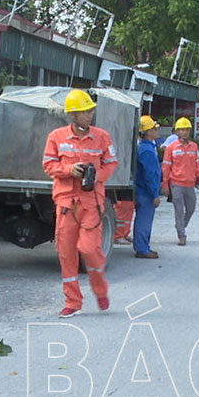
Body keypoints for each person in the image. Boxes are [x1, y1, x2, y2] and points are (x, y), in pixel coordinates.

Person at [42, 89, 116, 318]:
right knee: (65, 253)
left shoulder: (102, 136)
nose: (90, 114)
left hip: (91, 202)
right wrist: (68, 170)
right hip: (65, 202)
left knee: (89, 249)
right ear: (73, 115)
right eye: (85, 112)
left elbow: (111, 163)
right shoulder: (56, 137)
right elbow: (48, 165)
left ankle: (100, 290)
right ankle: (72, 302)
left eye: (91, 110)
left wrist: (95, 178)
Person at [161, 117, 199, 245]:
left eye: (186, 130)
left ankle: (181, 226)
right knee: (179, 209)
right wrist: (165, 184)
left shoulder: (194, 147)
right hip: (176, 184)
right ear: (177, 132)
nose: (184, 132)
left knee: (191, 208)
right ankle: (181, 235)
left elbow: (198, 164)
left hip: (189, 184)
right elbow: (166, 167)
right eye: (182, 130)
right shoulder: (171, 148)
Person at [133, 115, 162, 259]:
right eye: (153, 128)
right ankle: (142, 249)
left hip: (142, 191)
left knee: (142, 219)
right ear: (148, 132)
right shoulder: (147, 150)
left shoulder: (146, 148)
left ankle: (143, 247)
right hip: (146, 192)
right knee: (144, 221)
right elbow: (150, 174)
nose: (156, 130)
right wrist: (154, 194)